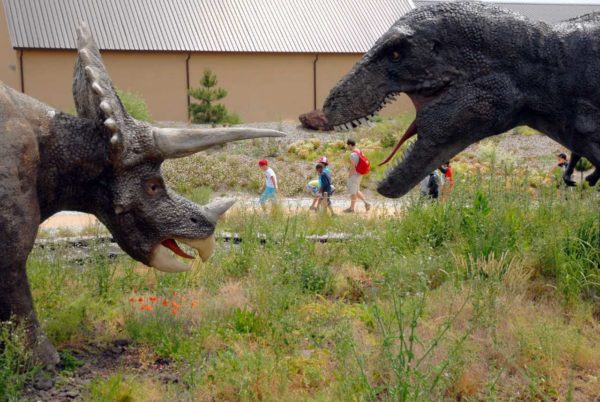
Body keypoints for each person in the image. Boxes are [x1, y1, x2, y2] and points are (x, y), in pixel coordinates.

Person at [344, 139, 371, 213]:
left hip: (354, 175)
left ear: (350, 145)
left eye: (348, 145)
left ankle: (352, 209)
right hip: (360, 174)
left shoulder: (352, 155)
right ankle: (366, 203)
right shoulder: (359, 151)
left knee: (353, 192)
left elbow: (353, 167)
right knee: (356, 190)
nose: (348, 147)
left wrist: (349, 176)